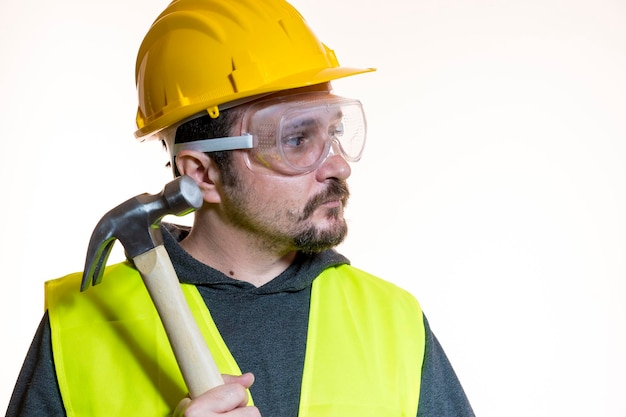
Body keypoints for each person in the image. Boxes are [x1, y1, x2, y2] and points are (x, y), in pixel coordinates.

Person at [6, 0, 475, 416]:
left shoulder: (394, 323)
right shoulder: (81, 325)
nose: (337, 166)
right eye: (296, 140)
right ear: (202, 173)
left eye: (334, 132)